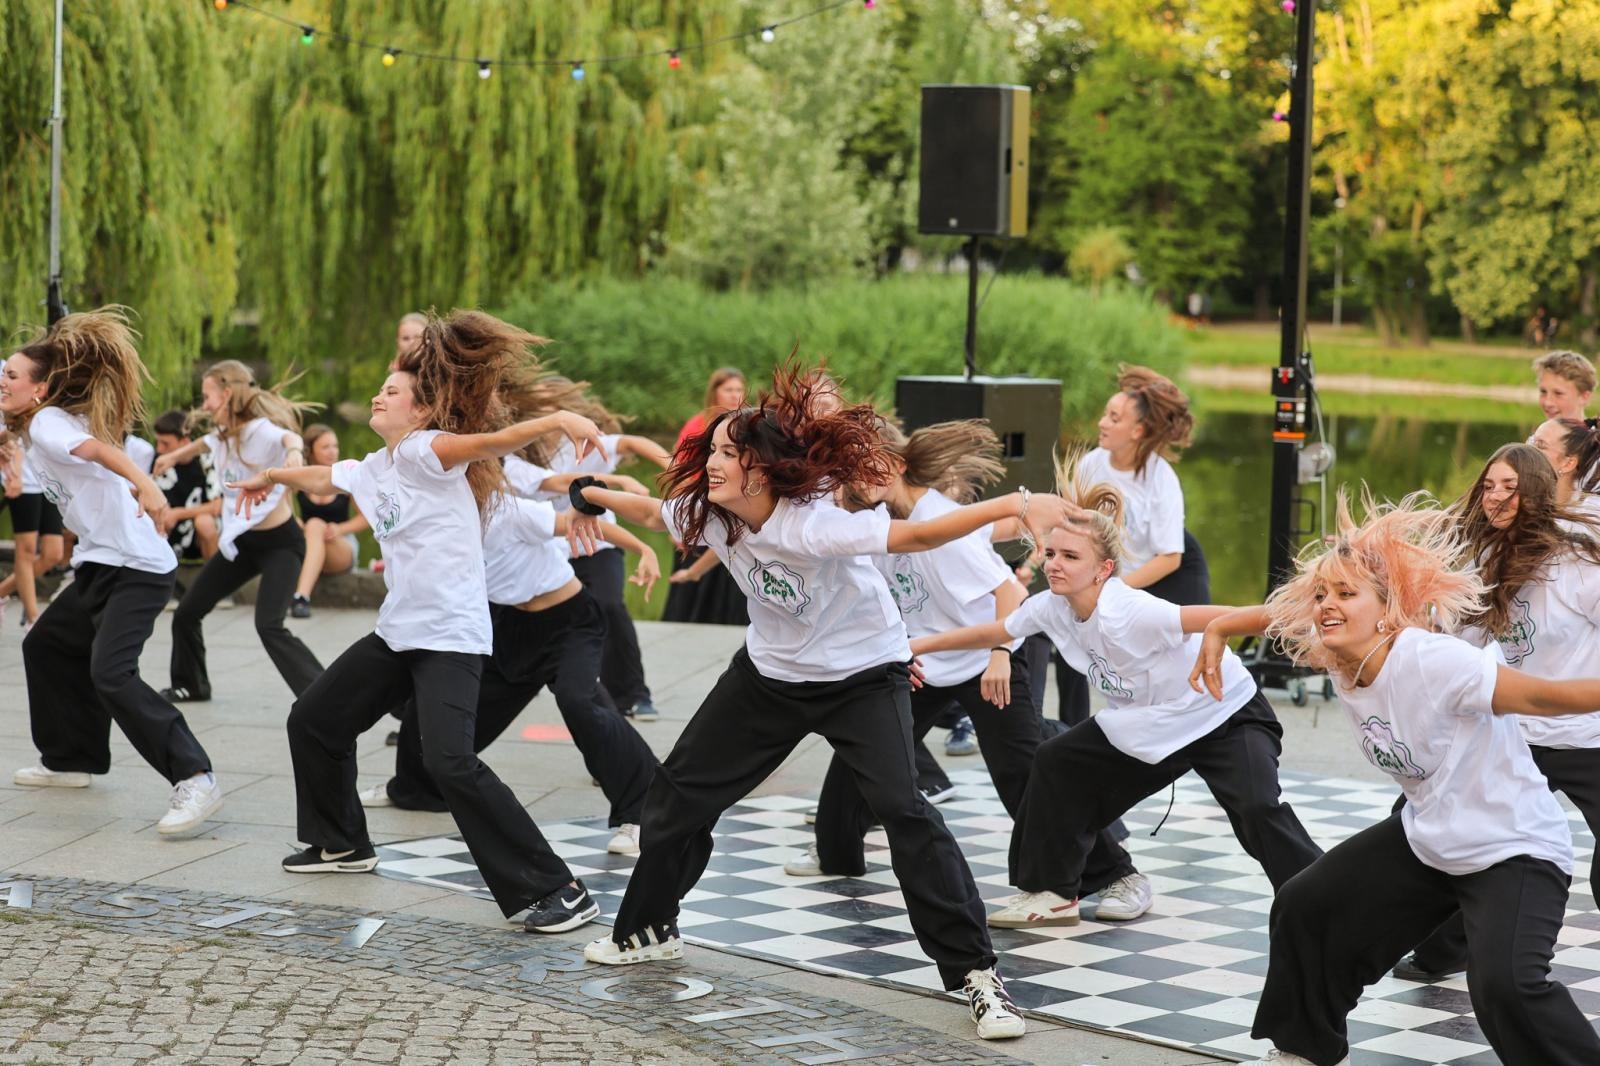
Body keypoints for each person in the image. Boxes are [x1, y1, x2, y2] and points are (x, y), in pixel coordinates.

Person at [569, 366, 1083, 1042]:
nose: (712, 461)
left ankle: (977, 976)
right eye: (715, 450)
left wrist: (1017, 505)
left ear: (762, 469)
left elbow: (921, 536)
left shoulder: (812, 527)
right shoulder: (709, 511)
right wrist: (589, 493)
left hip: (862, 676)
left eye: (728, 453)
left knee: (903, 809)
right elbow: (649, 512)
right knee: (673, 801)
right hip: (768, 679)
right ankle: (648, 929)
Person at [231, 311, 614, 934]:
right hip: (399, 632)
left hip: (450, 637)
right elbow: (327, 476)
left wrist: (557, 421)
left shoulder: (425, 451)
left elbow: (486, 444)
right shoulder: (378, 465)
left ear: (420, 412)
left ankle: (559, 888)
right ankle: (342, 844)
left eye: (393, 392)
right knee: (315, 719)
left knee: (449, 762)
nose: (380, 394)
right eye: (381, 389)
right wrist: (269, 476)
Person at [1192, 490, 1600, 1066]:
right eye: (1321, 595)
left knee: (1505, 988)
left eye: (1345, 593)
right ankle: (1303, 1050)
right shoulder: (1336, 652)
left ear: (1386, 609)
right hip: (1429, 840)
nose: (1326, 606)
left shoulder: (1434, 662)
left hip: (1512, 847)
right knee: (1307, 903)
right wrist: (1220, 629)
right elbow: (1279, 614)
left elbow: (1542, 696)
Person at [913, 468, 1319, 931]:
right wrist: (918, 646)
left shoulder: (1129, 611)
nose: (1055, 564)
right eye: (1051, 553)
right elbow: (997, 630)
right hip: (1155, 723)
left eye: (1070, 556)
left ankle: (1322, 901)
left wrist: (1313, 622)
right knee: (1056, 761)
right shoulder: (1052, 606)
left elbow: (1221, 615)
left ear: (1103, 569)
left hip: (1224, 712)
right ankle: (1055, 893)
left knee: (1257, 809)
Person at [787, 418, 1072, 898]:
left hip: (988, 659)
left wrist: (1001, 654)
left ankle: (1104, 874)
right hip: (927, 662)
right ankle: (835, 853)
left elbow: (1009, 593)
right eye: (852, 471)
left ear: (897, 465)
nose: (859, 479)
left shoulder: (936, 520)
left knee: (1019, 771)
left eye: (869, 468)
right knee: (862, 755)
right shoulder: (881, 522)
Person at [2, 307, 223, 835]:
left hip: (139, 569)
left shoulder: (51, 425)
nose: (1, 381)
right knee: (47, 645)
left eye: (10, 374)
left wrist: (147, 485)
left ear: (41, 388)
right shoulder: (36, 421)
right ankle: (70, 757)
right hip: (100, 565)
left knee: (111, 673)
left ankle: (196, 777)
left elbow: (104, 452)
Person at [1387, 444, 1600, 983]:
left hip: (1582, 732)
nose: (1497, 498)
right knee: (1424, 824)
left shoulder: (1578, 561)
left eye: (1511, 487)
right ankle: (1439, 950)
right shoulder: (1482, 560)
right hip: (1508, 730)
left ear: (1537, 493)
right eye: (1489, 486)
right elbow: (1454, 643)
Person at [363, 482, 662, 861]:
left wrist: (644, 548)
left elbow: (577, 522)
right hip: (507, 628)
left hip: (568, 624)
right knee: (434, 704)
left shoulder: (507, 510)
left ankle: (645, 809)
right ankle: (412, 788)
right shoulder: (440, 519)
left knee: (580, 702)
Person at [1046, 366, 1212, 730]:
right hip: (1110, 571)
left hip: (1167, 567)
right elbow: (1068, 526)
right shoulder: (1091, 464)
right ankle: (1068, 731)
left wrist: (1114, 591)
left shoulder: (1160, 477)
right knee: (1068, 624)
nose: (1102, 422)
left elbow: (1170, 556)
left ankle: (1192, 724)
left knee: (1185, 646)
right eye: (1105, 414)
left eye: (1114, 417)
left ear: (1137, 431)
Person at [154, 361, 323, 702]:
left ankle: (322, 696)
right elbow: (204, 443)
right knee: (187, 613)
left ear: (226, 394)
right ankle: (192, 684)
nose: (203, 405)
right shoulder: (223, 436)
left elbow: (288, 437)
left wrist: (293, 455)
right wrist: (173, 457)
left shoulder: (259, 430)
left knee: (270, 626)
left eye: (207, 396)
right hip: (242, 545)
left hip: (281, 544)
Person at [662, 368, 750, 627]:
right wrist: (676, 522)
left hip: (734, 510)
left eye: (739, 390)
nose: (735, 395)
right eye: (729, 390)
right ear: (715, 393)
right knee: (691, 596)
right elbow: (679, 474)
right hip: (700, 506)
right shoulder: (697, 426)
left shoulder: (746, 426)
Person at [288, 424, 368, 618]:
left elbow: (366, 518)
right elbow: (282, 507)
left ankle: (301, 596)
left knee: (315, 524)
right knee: (313, 525)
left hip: (340, 546)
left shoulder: (347, 476)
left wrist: (340, 529)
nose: (333, 451)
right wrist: (294, 521)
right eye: (326, 447)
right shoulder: (301, 477)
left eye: (335, 446)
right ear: (311, 451)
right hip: (310, 544)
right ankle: (301, 597)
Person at [0, 430, 67, 627]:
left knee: (53, 554)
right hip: (23, 482)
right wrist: (16, 473)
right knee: (26, 550)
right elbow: (13, 435)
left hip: (49, 481)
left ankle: (2, 591)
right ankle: (32, 620)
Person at [152, 409, 220, 565]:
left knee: (205, 522)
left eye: (165, 443)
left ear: (184, 442)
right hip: (169, 531)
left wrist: (178, 514)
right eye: (158, 442)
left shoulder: (208, 461)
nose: (159, 449)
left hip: (198, 533)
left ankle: (215, 578)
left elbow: (218, 506)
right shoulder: (159, 461)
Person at [1528, 415, 1600, 519]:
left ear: (1568, 463)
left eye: (1540, 446)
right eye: (1531, 442)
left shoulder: (1589, 518)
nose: (1528, 450)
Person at [1533, 349, 1595, 422]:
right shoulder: (1540, 432)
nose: (1547, 402)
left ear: (1584, 397)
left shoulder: (1594, 433)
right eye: (1543, 392)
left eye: (1558, 393)